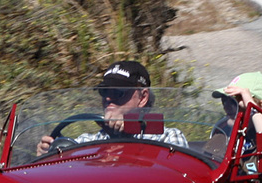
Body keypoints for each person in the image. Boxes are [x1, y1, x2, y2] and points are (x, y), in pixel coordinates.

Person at [35, 61, 188, 156]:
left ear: (143, 98)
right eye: (105, 91)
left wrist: (128, 135)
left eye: (117, 92)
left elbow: (177, 178)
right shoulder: (86, 141)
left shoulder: (168, 138)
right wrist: (48, 153)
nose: (108, 98)